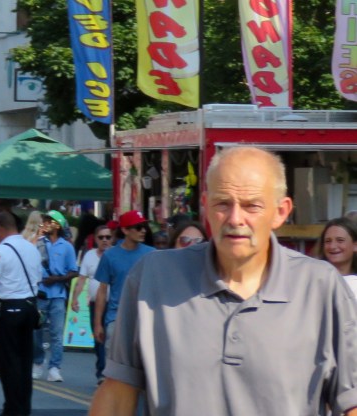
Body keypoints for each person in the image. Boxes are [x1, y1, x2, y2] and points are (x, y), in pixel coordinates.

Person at [89, 146, 357, 416]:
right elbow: (118, 391)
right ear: (206, 205)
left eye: (252, 206)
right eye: (223, 204)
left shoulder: (319, 286)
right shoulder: (154, 277)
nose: (235, 218)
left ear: (280, 211)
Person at [0, 212, 42, 416]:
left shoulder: (0, 251)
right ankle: (23, 407)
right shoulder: (32, 248)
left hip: (9, 308)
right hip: (29, 306)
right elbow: (38, 278)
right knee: (24, 361)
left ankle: (13, 408)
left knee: (8, 363)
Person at [93, 210, 155, 359]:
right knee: (114, 364)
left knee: (143, 365)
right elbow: (102, 291)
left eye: (144, 227)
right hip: (116, 319)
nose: (143, 231)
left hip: (145, 318)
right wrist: (98, 323)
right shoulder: (109, 256)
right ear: (125, 230)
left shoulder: (152, 254)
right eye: (138, 227)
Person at [32, 210, 78, 382]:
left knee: (57, 333)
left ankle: (55, 367)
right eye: (45, 220)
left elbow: (74, 271)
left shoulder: (66, 246)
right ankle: (38, 362)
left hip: (58, 295)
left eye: (49, 221)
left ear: (57, 225)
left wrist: (57, 279)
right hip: (40, 294)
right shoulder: (37, 243)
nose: (45, 223)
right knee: (36, 331)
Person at [71, 225, 113, 384]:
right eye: (101, 237)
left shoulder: (116, 254)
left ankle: (109, 371)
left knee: (111, 337)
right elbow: (81, 279)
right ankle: (102, 370)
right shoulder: (89, 255)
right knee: (98, 337)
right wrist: (75, 298)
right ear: (95, 239)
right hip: (96, 304)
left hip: (114, 303)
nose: (105, 240)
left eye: (108, 237)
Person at [319, 217, 357, 297]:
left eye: (340, 240)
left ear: (355, 245)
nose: (332, 246)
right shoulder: (314, 281)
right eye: (328, 241)